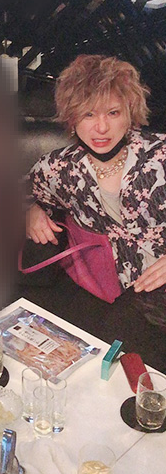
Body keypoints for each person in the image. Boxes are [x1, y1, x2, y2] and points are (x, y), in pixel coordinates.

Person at [26, 54, 166, 366]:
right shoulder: (58, 168)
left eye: (113, 113)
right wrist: (33, 211)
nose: (101, 128)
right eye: (88, 114)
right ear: (72, 117)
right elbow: (28, 194)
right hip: (117, 291)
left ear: (130, 113)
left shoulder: (160, 155)